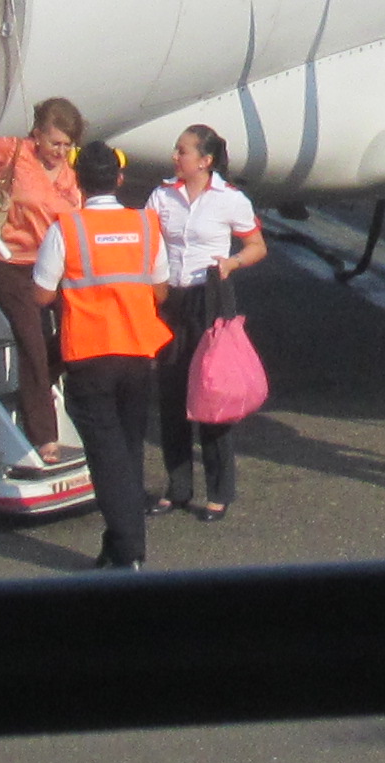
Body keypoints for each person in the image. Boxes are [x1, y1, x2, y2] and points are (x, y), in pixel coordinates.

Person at [33, 144, 169, 569]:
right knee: (128, 448)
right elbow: (161, 288)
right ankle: (118, 544)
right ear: (120, 179)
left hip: (90, 352)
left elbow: (40, 293)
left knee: (106, 457)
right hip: (137, 351)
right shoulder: (146, 225)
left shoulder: (67, 229)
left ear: (77, 181)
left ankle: (129, 549)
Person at [0, 97, 88, 462]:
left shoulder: (70, 170)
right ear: (37, 136)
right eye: (54, 143)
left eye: (67, 145)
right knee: (31, 342)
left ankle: (39, 382)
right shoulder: (16, 152)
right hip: (13, 262)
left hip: (57, 267)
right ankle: (44, 435)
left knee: (77, 336)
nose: (60, 151)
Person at [151, 122, 268, 519]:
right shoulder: (162, 196)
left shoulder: (229, 199)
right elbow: (149, 241)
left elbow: (256, 246)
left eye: (182, 151)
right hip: (171, 297)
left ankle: (220, 490)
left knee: (212, 392)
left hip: (211, 296)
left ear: (205, 160)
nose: (175, 157)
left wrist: (232, 262)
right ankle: (178, 486)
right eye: (176, 149)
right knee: (171, 394)